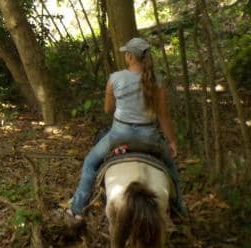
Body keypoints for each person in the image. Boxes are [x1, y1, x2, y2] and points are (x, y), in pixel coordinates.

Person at [66, 37, 187, 222]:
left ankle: (77, 209)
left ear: (130, 56)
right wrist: (172, 141)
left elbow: (108, 109)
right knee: (171, 168)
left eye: (126, 53)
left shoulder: (115, 78)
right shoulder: (157, 81)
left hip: (119, 134)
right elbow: (163, 116)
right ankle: (179, 210)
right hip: (149, 136)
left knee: (90, 162)